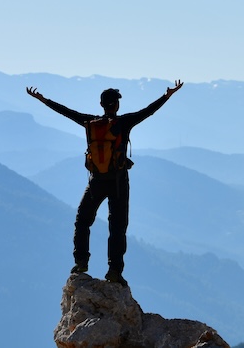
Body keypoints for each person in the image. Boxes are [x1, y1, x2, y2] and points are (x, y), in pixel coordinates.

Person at [26, 80, 183, 287]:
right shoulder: (124, 123)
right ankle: (114, 271)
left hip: (96, 182)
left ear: (101, 105)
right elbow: (148, 111)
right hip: (118, 182)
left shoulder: (90, 123)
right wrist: (167, 95)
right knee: (117, 227)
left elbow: (66, 112)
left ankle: (81, 262)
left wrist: (43, 99)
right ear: (116, 105)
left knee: (83, 220)